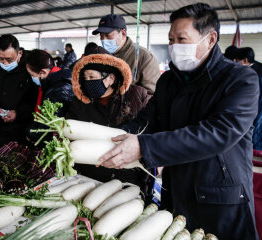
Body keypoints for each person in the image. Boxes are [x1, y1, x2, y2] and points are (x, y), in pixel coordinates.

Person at [98, 3, 259, 239]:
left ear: (211, 39)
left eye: (182, 39)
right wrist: (116, 138)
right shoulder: (169, 82)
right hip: (177, 192)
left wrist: (144, 146)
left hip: (220, 197)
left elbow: (218, 133)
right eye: (171, 40)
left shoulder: (240, 80)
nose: (173, 47)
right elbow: (148, 120)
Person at [66, 51, 153, 201]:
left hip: (129, 176)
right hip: (92, 176)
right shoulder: (79, 103)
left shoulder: (137, 96)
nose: (88, 82)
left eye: (92, 77)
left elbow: (151, 128)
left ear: (110, 78)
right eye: (85, 78)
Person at [0, 34, 38, 149]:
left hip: (20, 131)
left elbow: (34, 100)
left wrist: (18, 113)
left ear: (19, 53)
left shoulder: (29, 69)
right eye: (1, 59)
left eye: (9, 59)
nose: (5, 63)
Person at [92, 14, 160, 96]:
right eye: (101, 36)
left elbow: (151, 95)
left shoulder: (144, 57)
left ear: (123, 33)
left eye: (107, 35)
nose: (103, 40)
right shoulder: (102, 57)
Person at [25, 49, 74, 143]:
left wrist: (31, 133)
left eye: (32, 75)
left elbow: (48, 126)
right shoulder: (56, 79)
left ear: (43, 72)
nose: (32, 78)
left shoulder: (58, 89)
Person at [236, 47, 262, 151]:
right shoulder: (258, 67)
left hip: (257, 107)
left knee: (255, 131)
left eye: (237, 61)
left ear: (245, 60)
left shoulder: (249, 74)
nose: (235, 63)